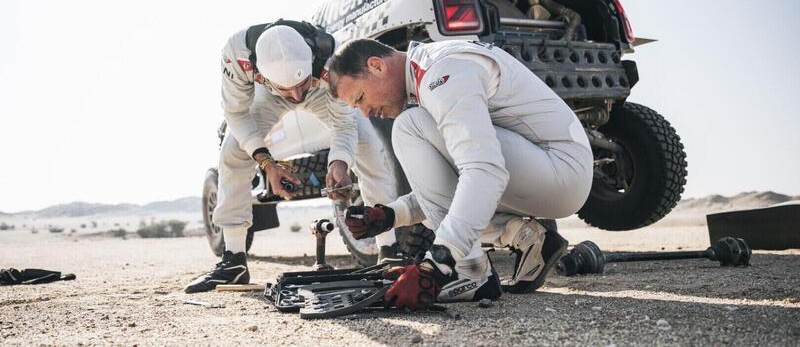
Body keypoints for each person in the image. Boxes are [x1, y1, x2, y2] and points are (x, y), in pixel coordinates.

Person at [328, 39, 594, 310]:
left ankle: (470, 271)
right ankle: (524, 236)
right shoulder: (431, 69)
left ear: (376, 66)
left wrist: (437, 263)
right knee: (418, 128)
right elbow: (446, 191)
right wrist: (391, 216)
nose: (366, 112)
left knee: (409, 127)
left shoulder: (441, 74)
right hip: (555, 171)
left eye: (360, 98)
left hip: (561, 168)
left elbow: (484, 170)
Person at [185, 22, 399, 294]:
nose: (297, 97)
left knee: (367, 141)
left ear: (311, 61)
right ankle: (233, 261)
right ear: (259, 73)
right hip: (269, 95)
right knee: (233, 150)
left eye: (300, 85)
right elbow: (236, 115)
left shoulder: (330, 57)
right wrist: (267, 163)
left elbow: (344, 125)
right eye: (290, 91)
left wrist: (339, 162)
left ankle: (389, 248)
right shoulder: (236, 56)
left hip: (321, 90)